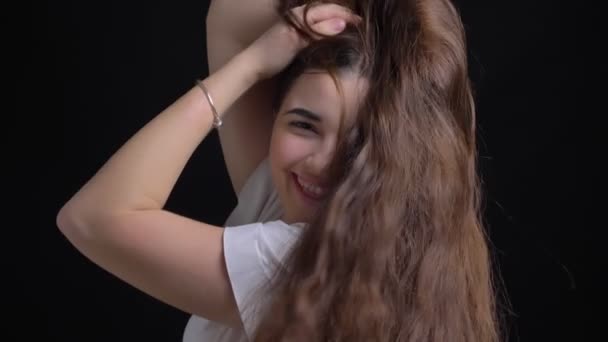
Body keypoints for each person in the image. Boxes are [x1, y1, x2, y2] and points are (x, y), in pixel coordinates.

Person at [57, 0, 501, 341]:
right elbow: (230, 16)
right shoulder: (359, 229)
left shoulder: (297, 262)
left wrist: (249, 67)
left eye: (358, 143)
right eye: (304, 124)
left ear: (401, 155)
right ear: (277, 114)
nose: (320, 163)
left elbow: (94, 219)